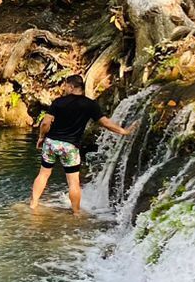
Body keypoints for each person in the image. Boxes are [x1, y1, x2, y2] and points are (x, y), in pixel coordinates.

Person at [30, 76, 134, 215]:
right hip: (70, 146)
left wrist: (42, 137)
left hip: (52, 143)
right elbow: (105, 123)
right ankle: (76, 213)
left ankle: (33, 204)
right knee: (73, 181)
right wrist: (124, 131)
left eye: (66, 86)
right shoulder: (90, 105)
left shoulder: (58, 102)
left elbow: (45, 123)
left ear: (72, 87)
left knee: (43, 174)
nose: (65, 89)